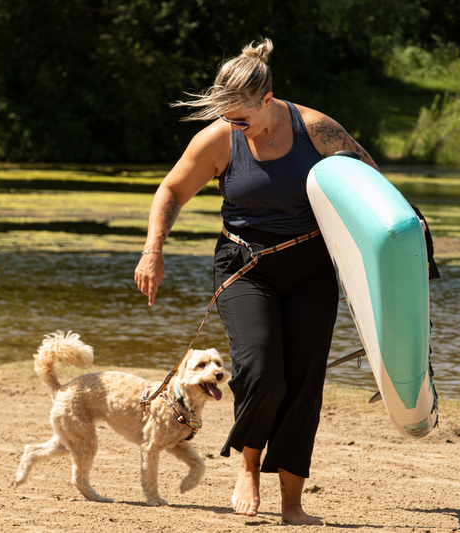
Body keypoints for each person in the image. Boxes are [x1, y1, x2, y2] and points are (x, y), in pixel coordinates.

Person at [134, 38, 378, 525]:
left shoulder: (317, 130)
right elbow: (172, 191)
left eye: (241, 116)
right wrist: (153, 249)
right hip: (244, 267)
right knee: (262, 370)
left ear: (267, 101)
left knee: (304, 382)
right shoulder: (220, 137)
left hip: (310, 267)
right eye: (227, 116)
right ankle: (247, 465)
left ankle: (292, 503)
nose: (234, 125)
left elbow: (370, 182)